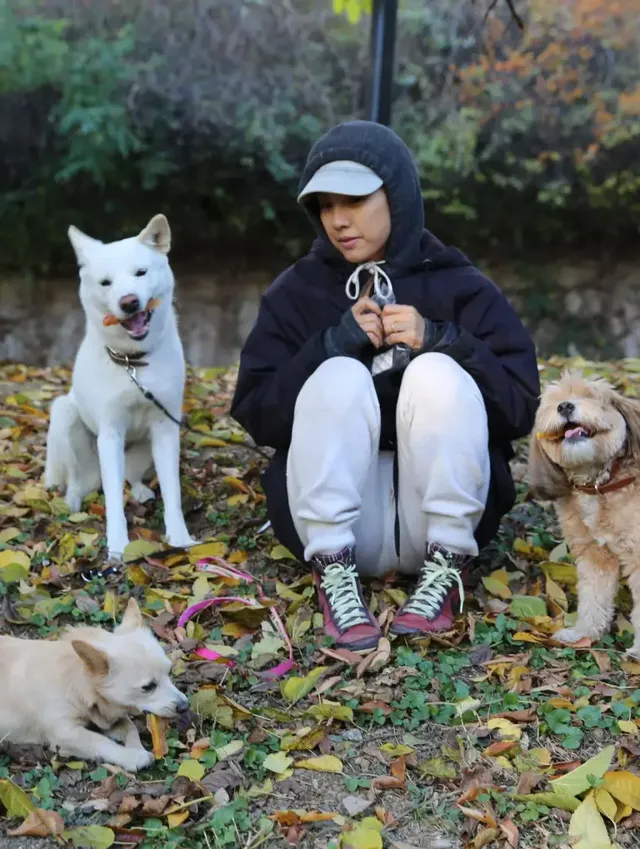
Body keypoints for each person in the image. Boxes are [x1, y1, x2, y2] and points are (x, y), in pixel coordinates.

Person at [230, 120, 540, 651]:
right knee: (338, 372)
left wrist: (443, 339)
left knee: (436, 370)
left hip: (442, 520)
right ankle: (334, 574)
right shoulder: (296, 293)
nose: (338, 220)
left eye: (353, 201)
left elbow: (520, 407)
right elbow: (258, 413)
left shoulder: (458, 283)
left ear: (396, 196)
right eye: (324, 206)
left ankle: (445, 572)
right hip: (336, 527)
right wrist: (328, 345)